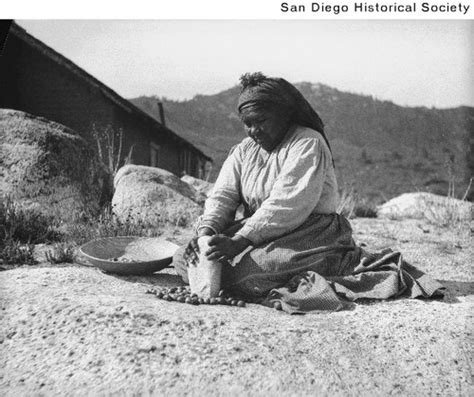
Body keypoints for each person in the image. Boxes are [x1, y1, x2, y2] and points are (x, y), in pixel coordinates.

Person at [173, 72, 444, 313]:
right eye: (248, 123)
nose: (254, 131)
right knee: (184, 259)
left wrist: (241, 240)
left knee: (247, 277)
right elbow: (223, 196)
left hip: (311, 230)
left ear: (284, 115)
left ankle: (331, 259)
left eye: (262, 121)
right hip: (259, 229)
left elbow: (287, 204)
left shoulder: (307, 143)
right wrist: (206, 234)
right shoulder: (244, 150)